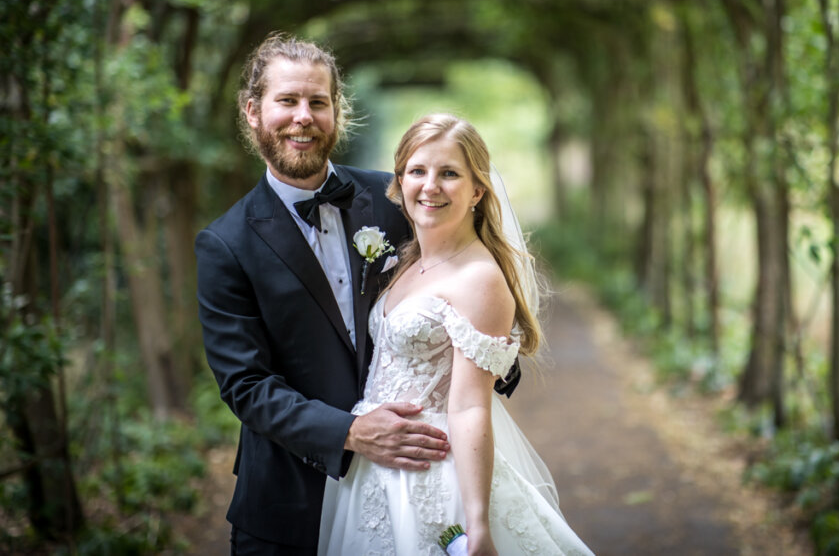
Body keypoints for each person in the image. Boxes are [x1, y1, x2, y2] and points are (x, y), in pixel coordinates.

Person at [196, 34, 518, 554]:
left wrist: (481, 349)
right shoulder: (224, 245)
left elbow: (458, 287)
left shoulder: (398, 199)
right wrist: (350, 431)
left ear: (336, 112)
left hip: (417, 483)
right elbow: (246, 385)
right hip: (287, 498)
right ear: (253, 112)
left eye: (318, 102)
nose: (304, 116)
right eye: (288, 101)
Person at [318, 113, 593, 555]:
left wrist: (477, 523)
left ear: (477, 191)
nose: (431, 186)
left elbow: (467, 406)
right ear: (400, 182)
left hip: (431, 472)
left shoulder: (479, 279)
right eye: (418, 171)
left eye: (449, 173)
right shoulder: (409, 259)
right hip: (373, 465)